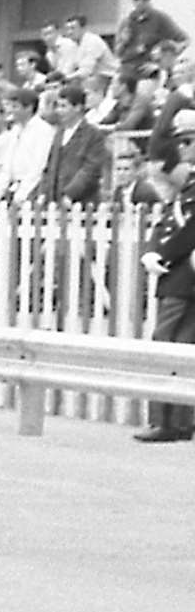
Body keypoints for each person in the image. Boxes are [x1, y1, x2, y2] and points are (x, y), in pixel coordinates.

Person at [133, 140, 195, 441]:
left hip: (185, 274)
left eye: (189, 141)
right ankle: (178, 422)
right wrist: (151, 250)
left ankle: (167, 422)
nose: (182, 148)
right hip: (179, 273)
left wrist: (164, 255)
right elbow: (166, 222)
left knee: (167, 343)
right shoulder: (189, 182)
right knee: (181, 345)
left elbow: (190, 229)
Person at [38, 83, 110, 204]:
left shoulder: (93, 134)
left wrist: (70, 195)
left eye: (63, 106)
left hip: (82, 203)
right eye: (57, 106)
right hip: (54, 202)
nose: (59, 111)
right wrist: (43, 193)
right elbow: (49, 167)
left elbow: (90, 170)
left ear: (78, 108)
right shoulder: (59, 133)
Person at [120, 0, 189, 86]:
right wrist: (123, 42)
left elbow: (185, 41)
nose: (141, 2)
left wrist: (162, 63)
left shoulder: (160, 19)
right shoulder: (126, 21)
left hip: (150, 78)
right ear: (131, 0)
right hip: (127, 76)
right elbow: (118, 53)